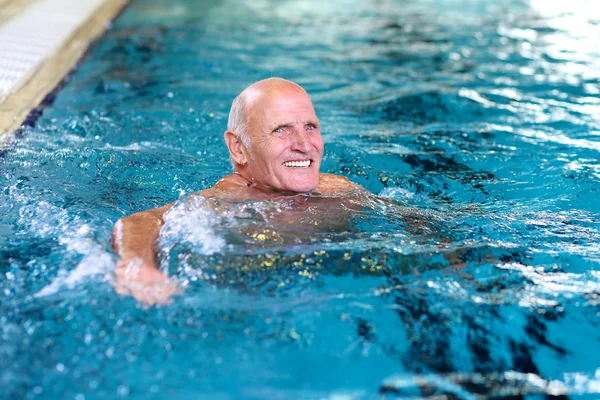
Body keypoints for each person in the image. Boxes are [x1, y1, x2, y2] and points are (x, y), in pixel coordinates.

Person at [112, 78, 363, 304]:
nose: (304, 145)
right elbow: (141, 221)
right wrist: (138, 265)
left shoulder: (337, 188)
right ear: (238, 147)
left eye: (310, 127)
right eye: (280, 130)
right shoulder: (226, 201)